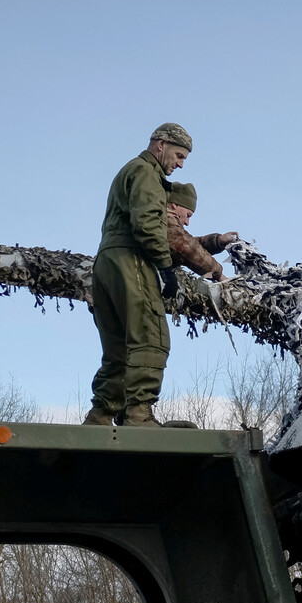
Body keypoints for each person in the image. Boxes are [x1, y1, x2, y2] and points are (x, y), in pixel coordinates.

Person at [84, 122, 196, 428]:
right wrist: (164, 267)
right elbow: (147, 223)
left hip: (106, 263)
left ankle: (100, 415)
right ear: (161, 145)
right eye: (179, 155)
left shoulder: (129, 170)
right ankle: (139, 415)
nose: (180, 164)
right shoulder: (146, 172)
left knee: (118, 348)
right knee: (150, 337)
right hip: (131, 260)